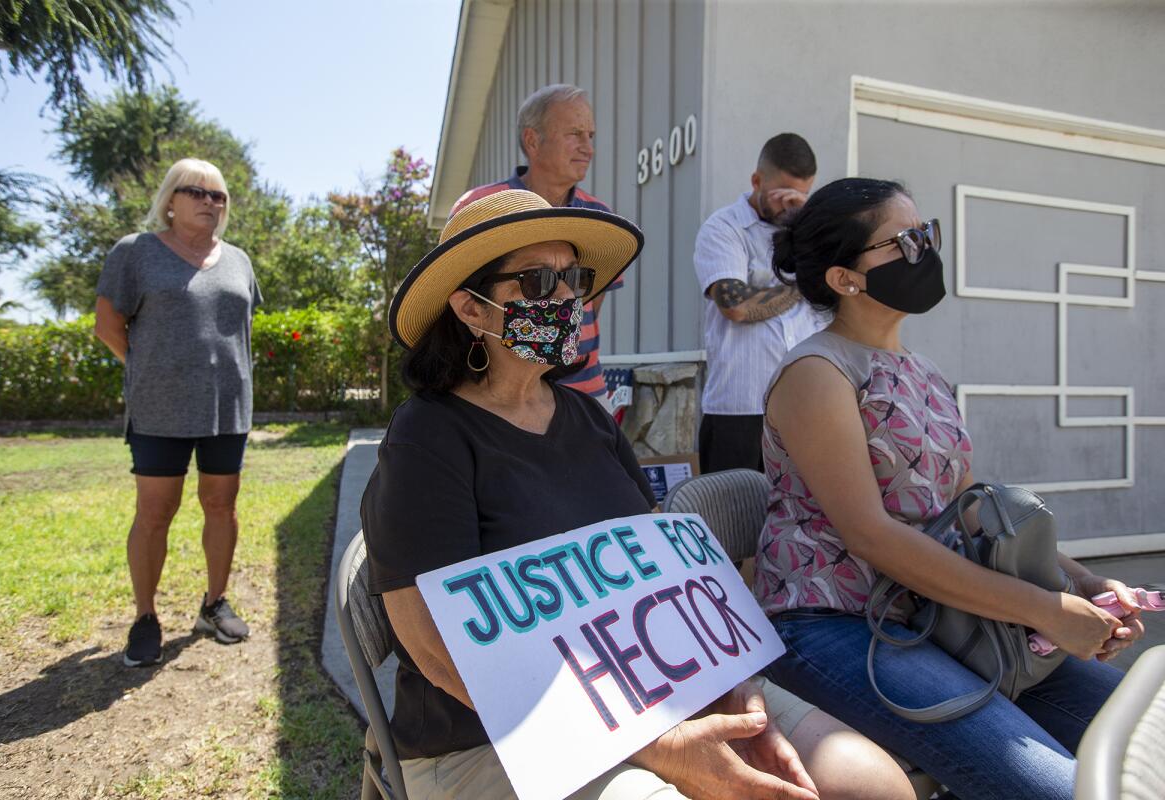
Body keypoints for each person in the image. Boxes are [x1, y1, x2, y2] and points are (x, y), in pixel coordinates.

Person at [362, 188, 914, 800]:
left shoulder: (589, 418)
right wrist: (656, 747)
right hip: (491, 739)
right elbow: (438, 653)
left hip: (656, 694)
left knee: (875, 787)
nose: (569, 298)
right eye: (541, 283)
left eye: (574, 278)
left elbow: (657, 574)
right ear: (471, 309)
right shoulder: (427, 437)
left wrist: (729, 675)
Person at [754, 177, 1146, 799]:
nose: (925, 250)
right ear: (844, 278)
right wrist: (1043, 611)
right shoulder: (817, 374)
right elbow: (871, 536)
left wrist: (1084, 584)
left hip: (942, 615)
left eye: (926, 233)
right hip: (837, 623)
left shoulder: (920, 370)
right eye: (904, 240)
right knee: (1066, 791)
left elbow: (971, 507)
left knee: (1144, 747)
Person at [95, 157, 262, 668]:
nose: (211, 202)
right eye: (198, 192)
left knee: (221, 505)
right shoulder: (135, 252)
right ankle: (145, 618)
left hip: (226, 409)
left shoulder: (238, 260)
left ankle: (213, 605)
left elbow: (237, 328)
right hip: (159, 410)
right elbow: (108, 326)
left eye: (220, 196)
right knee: (155, 512)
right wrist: (153, 370)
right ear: (170, 199)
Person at [451, 84, 622, 405]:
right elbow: (459, 301)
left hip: (585, 391)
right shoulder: (483, 205)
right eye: (574, 133)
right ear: (532, 140)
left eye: (591, 135)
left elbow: (586, 307)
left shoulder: (599, 217)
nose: (588, 147)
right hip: (496, 396)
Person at [693, 133, 826, 474]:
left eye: (801, 196)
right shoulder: (724, 228)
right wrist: (800, 285)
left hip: (804, 408)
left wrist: (806, 226)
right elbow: (735, 305)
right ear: (757, 181)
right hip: (739, 412)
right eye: (782, 195)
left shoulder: (810, 238)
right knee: (731, 520)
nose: (790, 204)